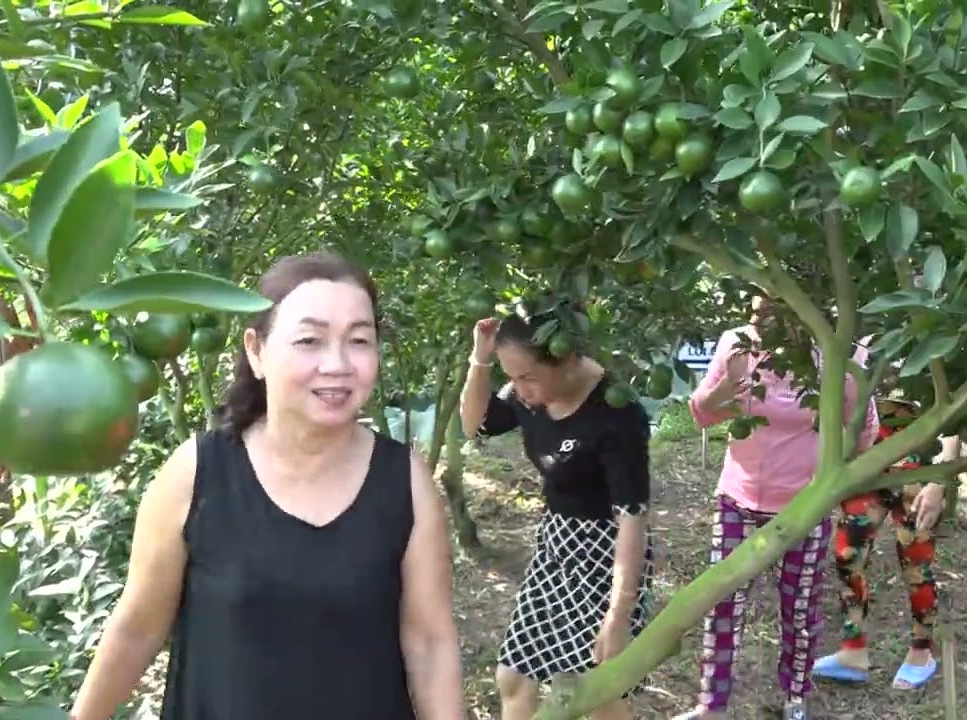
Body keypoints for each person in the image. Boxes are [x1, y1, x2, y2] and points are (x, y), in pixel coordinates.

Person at [69, 253, 466, 720]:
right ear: (256, 351)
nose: (337, 364)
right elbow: (137, 629)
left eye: (359, 340)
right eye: (309, 340)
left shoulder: (405, 482)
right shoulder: (198, 473)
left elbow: (429, 643)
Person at [676, 296, 879, 720]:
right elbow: (701, 413)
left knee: (800, 609)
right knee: (722, 603)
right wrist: (722, 393)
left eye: (768, 310)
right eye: (754, 308)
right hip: (738, 499)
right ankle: (711, 704)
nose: (756, 319)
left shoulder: (841, 353)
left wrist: (832, 474)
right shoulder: (738, 344)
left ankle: (795, 698)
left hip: (804, 508)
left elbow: (864, 434)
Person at [460, 310, 654, 720]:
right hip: (556, 545)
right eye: (511, 377)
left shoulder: (616, 413)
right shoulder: (527, 397)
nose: (519, 389)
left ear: (566, 360)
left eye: (527, 376)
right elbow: (472, 424)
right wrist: (481, 359)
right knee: (513, 676)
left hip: (608, 554)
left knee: (601, 691)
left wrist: (618, 614)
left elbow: (632, 518)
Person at [812, 394, 945, 690]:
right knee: (848, 557)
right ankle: (853, 651)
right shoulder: (857, 350)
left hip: (917, 469)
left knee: (916, 563)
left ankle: (922, 651)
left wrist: (940, 480)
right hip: (867, 465)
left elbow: (958, 416)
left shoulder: (936, 349)